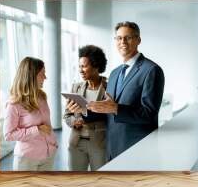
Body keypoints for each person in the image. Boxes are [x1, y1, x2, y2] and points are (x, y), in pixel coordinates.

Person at [87, 21, 165, 161]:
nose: (122, 42)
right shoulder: (115, 73)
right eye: (119, 38)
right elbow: (109, 112)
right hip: (113, 149)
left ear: (138, 40)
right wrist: (84, 111)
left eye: (128, 37)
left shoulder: (151, 70)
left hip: (138, 150)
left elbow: (149, 114)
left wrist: (117, 108)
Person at [4, 57, 57, 171]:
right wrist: (36, 130)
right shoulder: (14, 104)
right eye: (42, 73)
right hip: (27, 160)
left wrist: (53, 143)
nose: (45, 77)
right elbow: (8, 135)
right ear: (31, 76)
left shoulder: (42, 97)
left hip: (48, 156)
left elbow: (47, 124)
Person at [63, 45, 108, 171]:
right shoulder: (76, 88)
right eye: (79, 66)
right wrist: (74, 122)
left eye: (84, 66)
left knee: (99, 181)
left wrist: (84, 113)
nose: (80, 70)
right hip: (76, 142)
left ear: (96, 66)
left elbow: (110, 115)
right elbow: (67, 115)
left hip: (99, 143)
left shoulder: (109, 88)